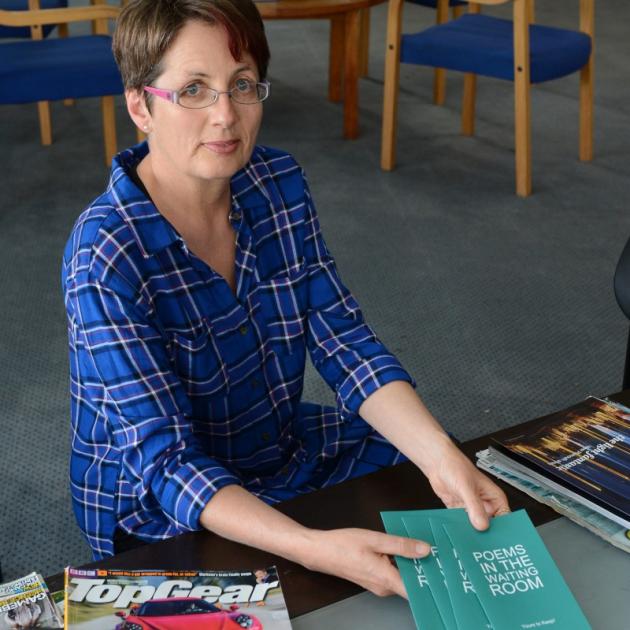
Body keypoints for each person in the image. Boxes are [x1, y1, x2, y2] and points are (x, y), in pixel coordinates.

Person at [62, 0, 509, 599]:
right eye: (193, 89)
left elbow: (344, 341)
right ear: (141, 104)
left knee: (436, 476)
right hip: (155, 506)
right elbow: (168, 464)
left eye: (242, 85)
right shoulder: (104, 256)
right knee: (311, 590)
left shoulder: (277, 184)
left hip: (274, 446)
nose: (226, 116)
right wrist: (315, 548)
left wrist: (443, 455)